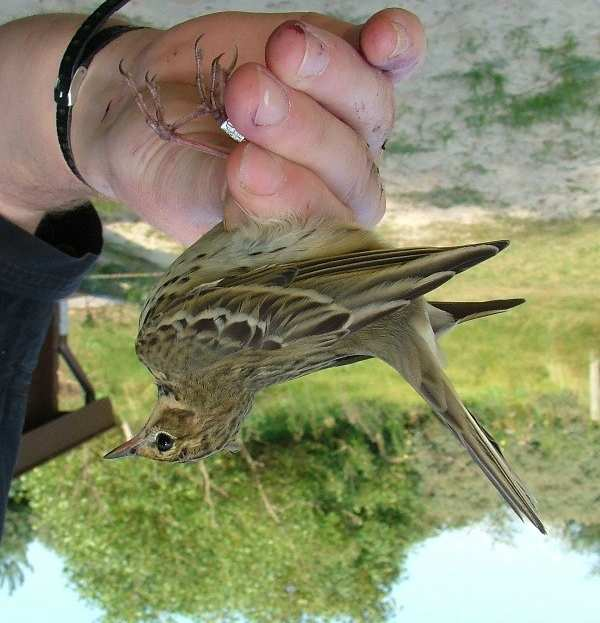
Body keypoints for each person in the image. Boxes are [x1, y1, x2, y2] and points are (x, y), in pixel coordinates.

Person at [0, 7, 426, 538]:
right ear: (191, 424)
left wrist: (100, 108)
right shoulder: (164, 352)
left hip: (288, 246)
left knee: (261, 174)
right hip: (297, 244)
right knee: (270, 171)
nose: (138, 439)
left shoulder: (203, 363)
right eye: (158, 442)